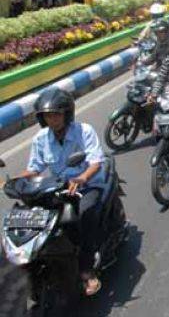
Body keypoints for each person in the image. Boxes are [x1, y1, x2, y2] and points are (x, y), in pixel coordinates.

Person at [15, 89, 108, 296]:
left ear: (67, 114)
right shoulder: (41, 138)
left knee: (85, 213)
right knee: (30, 216)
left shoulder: (84, 131)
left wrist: (82, 177)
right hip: (57, 187)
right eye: (48, 115)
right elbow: (35, 168)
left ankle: (87, 268)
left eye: (56, 114)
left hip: (86, 184)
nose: (52, 119)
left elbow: (96, 162)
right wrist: (14, 181)